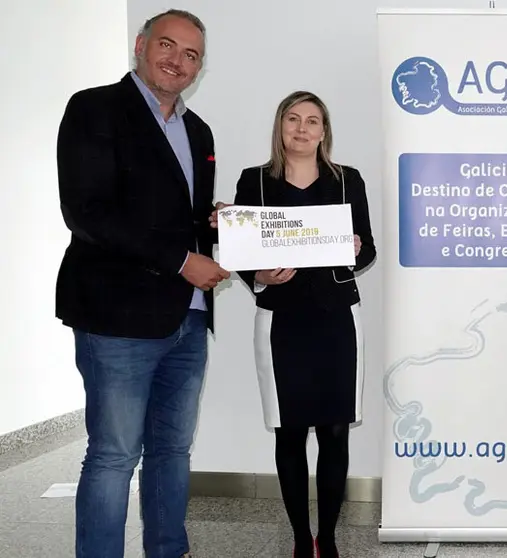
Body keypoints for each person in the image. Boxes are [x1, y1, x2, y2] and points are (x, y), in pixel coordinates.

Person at [55, 9, 227, 558]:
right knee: (113, 455)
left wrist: (217, 225)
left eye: (191, 54)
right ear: (141, 44)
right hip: (117, 318)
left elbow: (185, 218)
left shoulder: (198, 131)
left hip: (190, 318)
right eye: (168, 46)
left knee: (173, 452)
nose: (177, 61)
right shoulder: (94, 108)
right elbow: (87, 212)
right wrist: (181, 260)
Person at [231, 91, 375, 558]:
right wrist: (257, 275)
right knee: (290, 431)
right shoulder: (253, 181)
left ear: (324, 131)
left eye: (312, 121)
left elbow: (368, 249)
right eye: (292, 119)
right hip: (282, 322)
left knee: (335, 431)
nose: (301, 129)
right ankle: (299, 538)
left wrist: (354, 248)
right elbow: (238, 253)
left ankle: (327, 538)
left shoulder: (347, 180)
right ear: (280, 126)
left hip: (337, 320)